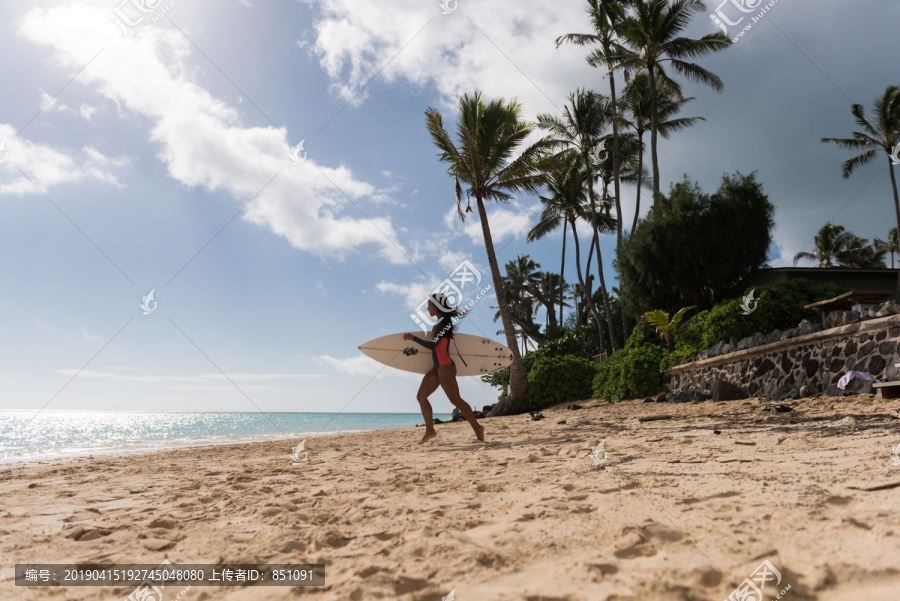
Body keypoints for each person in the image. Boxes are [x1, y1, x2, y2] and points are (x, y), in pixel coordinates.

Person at [403, 293, 485, 443]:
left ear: (436, 306)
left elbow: (433, 345)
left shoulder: (444, 324)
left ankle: (477, 427)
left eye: (429, 305)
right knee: (421, 396)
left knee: (456, 400)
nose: (428, 309)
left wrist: (413, 338)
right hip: (437, 368)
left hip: (445, 367)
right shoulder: (440, 323)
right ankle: (430, 430)